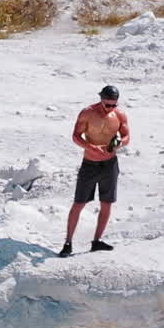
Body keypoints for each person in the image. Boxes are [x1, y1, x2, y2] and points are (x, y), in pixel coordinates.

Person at [60, 85, 128, 257]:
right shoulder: (87, 113)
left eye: (114, 105)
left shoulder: (119, 115)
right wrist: (90, 147)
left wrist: (119, 143)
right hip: (90, 163)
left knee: (107, 203)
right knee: (79, 203)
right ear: (101, 100)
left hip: (110, 164)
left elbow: (126, 135)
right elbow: (76, 135)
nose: (111, 108)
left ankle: (96, 241)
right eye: (108, 105)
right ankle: (68, 243)